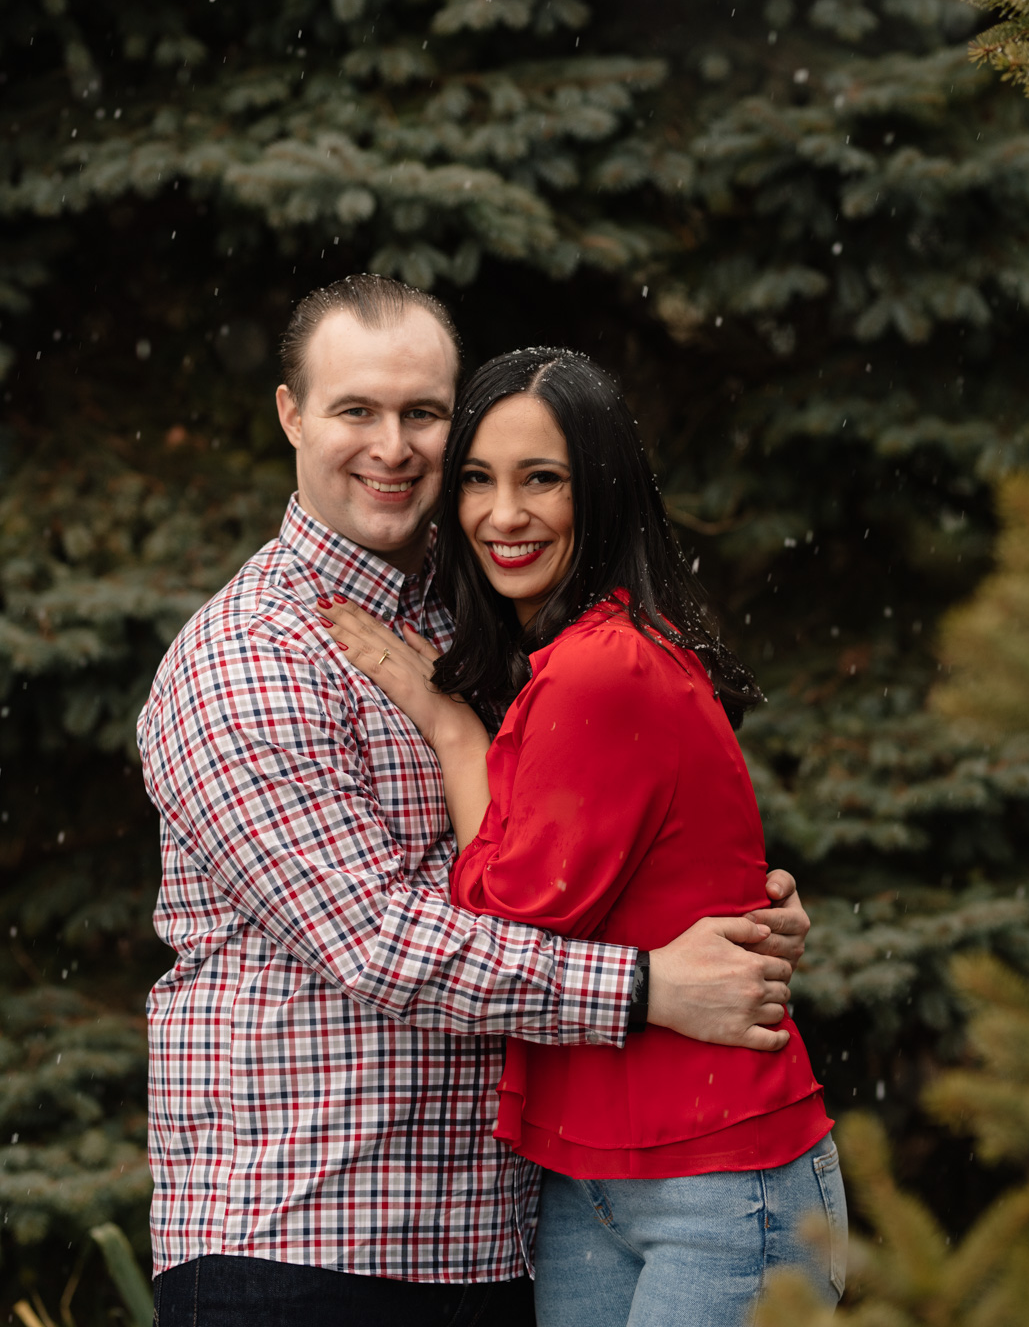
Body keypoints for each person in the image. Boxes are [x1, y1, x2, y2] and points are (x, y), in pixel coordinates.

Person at [138, 275, 813, 1327]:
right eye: (355, 409)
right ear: (289, 415)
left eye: (423, 413)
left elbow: (596, 839)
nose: (393, 446)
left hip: (488, 1243)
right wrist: (645, 985)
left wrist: (731, 914)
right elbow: (373, 940)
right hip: (307, 1245)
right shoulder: (250, 659)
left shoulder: (490, 625)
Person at [319, 344, 846, 1327]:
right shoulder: (565, 658)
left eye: (540, 479)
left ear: (598, 492)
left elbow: (499, 914)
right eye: (475, 479)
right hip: (586, 1176)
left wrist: (447, 729)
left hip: (719, 1181)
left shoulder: (601, 669)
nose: (500, 514)